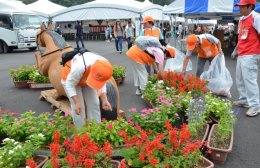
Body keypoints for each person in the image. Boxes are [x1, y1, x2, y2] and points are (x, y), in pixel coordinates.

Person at [61, 51, 113, 128]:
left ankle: (96, 129)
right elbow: (69, 85)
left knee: (94, 103)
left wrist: (104, 99)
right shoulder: (79, 66)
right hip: (71, 80)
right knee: (80, 108)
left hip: (86, 78)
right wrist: (76, 102)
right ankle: (81, 133)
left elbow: (102, 82)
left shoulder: (105, 65)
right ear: (92, 71)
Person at [231, 0, 260, 117]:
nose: (239, 9)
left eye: (242, 7)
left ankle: (255, 106)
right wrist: (236, 50)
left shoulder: (256, 17)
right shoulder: (241, 19)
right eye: (239, 6)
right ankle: (244, 100)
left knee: (250, 80)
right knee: (240, 78)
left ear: (249, 7)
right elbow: (241, 37)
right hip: (242, 53)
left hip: (251, 53)